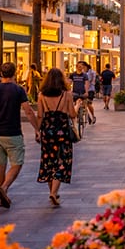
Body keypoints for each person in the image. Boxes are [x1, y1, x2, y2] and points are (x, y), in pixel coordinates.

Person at [0, 62, 39, 209]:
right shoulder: (18, 90)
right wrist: (37, 129)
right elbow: (28, 111)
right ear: (14, 73)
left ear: (1, 73)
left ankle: (3, 197)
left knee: (0, 165)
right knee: (17, 164)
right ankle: (4, 187)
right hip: (12, 132)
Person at [37, 67, 77, 206]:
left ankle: (53, 192)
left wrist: (37, 131)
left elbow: (40, 115)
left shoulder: (41, 95)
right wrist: (77, 106)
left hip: (47, 131)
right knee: (62, 161)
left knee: (48, 161)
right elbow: (72, 114)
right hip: (62, 131)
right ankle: (53, 193)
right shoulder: (66, 94)